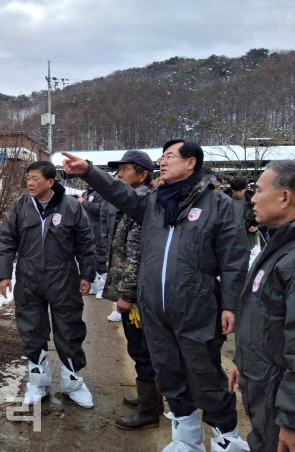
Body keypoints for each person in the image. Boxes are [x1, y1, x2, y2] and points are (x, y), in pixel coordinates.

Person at [62, 140, 249, 451]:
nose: (162, 162)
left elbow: (234, 258)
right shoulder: (154, 203)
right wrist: (89, 172)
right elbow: (119, 193)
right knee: (169, 374)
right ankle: (186, 438)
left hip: (196, 306)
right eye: (161, 157)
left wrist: (230, 304)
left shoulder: (218, 204)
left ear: (191, 163)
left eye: (170, 157)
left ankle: (226, 438)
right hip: (155, 311)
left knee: (204, 375)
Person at [0, 161, 96, 407]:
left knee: (70, 330)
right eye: (28, 178)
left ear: (50, 182)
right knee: (32, 330)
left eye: (35, 178)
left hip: (63, 277)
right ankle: (38, 383)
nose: (30, 183)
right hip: (29, 278)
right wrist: (4, 274)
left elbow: (86, 242)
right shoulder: (20, 206)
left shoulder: (71, 206)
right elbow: (6, 240)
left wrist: (87, 275)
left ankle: (73, 384)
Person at [228, 160, 295, 452]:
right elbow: (265, 317)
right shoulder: (280, 243)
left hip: (279, 399)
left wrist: (291, 419)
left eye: (259, 190)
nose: (252, 198)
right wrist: (244, 363)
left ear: (285, 197)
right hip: (264, 383)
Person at [99, 150, 163, 431]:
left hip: (136, 298)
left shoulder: (142, 206)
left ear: (143, 175)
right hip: (134, 294)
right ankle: (151, 400)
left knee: (142, 350)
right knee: (141, 349)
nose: (119, 175)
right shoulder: (132, 204)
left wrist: (126, 295)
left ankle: (149, 412)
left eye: (125, 170)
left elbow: (136, 255)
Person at [74, 187, 107, 276]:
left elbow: (101, 210)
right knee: (87, 257)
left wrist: (83, 202)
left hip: (98, 234)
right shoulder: (85, 193)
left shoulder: (102, 193)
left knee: (99, 260)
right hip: (85, 232)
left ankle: (101, 284)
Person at [227, 177, 259, 251]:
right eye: (235, 191)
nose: (238, 193)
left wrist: (255, 226)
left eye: (240, 191)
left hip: (247, 239)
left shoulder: (253, 201)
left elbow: (261, 216)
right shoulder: (223, 201)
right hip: (228, 238)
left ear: (245, 189)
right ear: (231, 189)